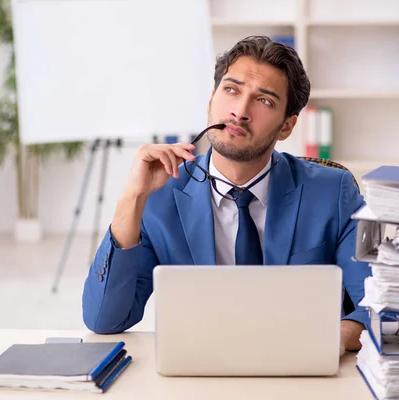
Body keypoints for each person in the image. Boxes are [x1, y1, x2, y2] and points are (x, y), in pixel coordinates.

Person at [82, 35, 371, 357]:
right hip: (199, 368)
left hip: (301, 368)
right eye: (231, 90)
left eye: (264, 101)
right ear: (211, 101)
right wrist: (132, 198)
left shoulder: (333, 192)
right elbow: (104, 320)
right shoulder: (161, 195)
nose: (240, 111)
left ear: (287, 126)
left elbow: (381, 307)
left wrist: (334, 337)